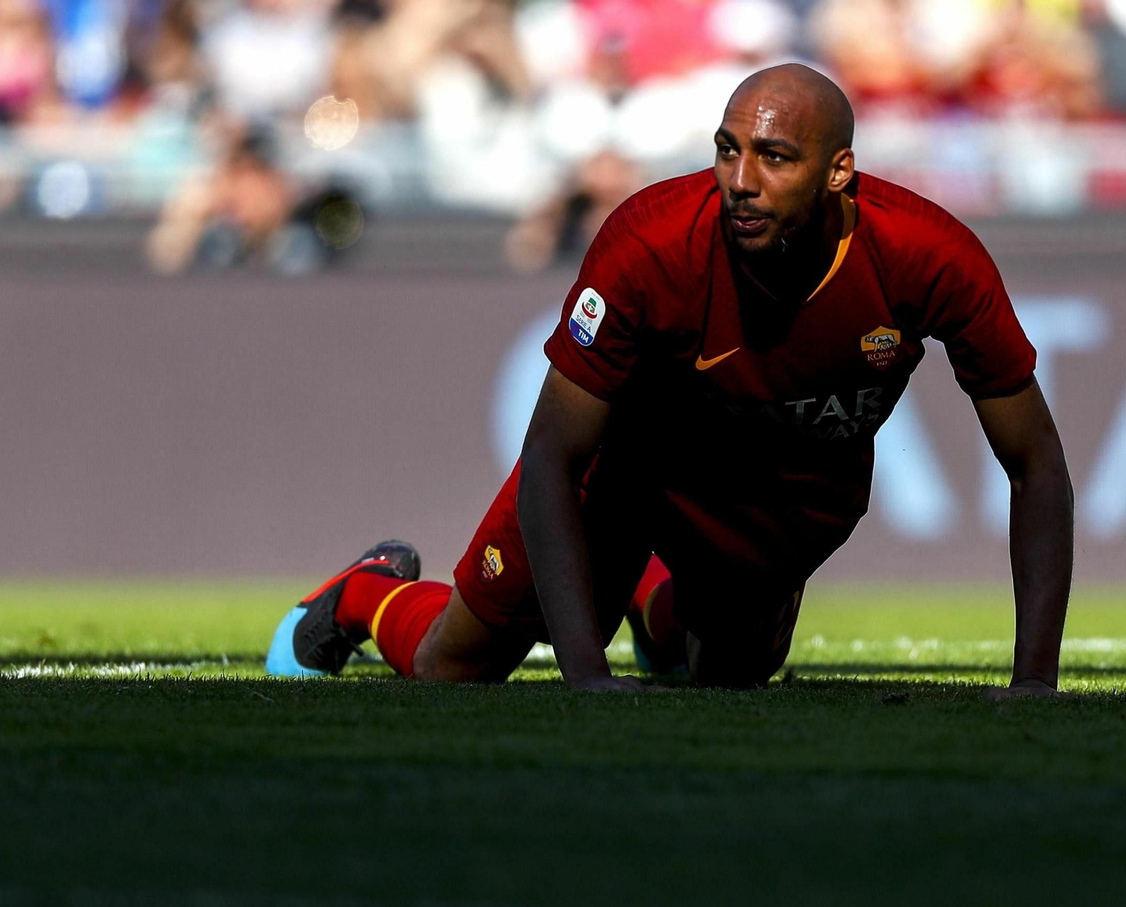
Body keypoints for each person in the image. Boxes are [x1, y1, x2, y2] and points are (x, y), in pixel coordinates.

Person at [266, 64, 1074, 694]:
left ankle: (655, 603)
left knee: (732, 675)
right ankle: (362, 595)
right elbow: (552, 454)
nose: (741, 181)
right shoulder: (649, 245)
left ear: (839, 174)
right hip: (627, 472)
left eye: (775, 158)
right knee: (457, 671)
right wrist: (586, 672)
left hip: (789, 493)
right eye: (729, 150)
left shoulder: (929, 258)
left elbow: (1034, 461)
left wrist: (1035, 679)